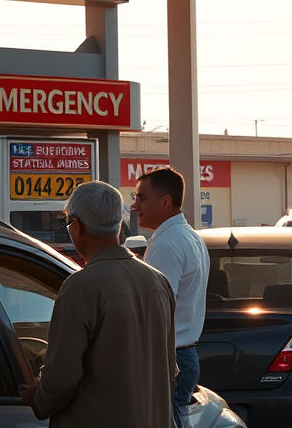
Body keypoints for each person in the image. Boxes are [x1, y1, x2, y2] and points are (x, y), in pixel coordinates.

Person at [18, 181, 175, 427]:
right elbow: (169, 368)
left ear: (78, 226)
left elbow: (61, 378)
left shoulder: (80, 287)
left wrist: (38, 400)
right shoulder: (158, 281)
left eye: (67, 222)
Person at [132, 167, 210, 428]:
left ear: (165, 201)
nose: (134, 206)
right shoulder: (189, 237)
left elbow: (157, 310)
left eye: (141, 198)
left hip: (169, 357)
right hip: (182, 354)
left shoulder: (167, 243)